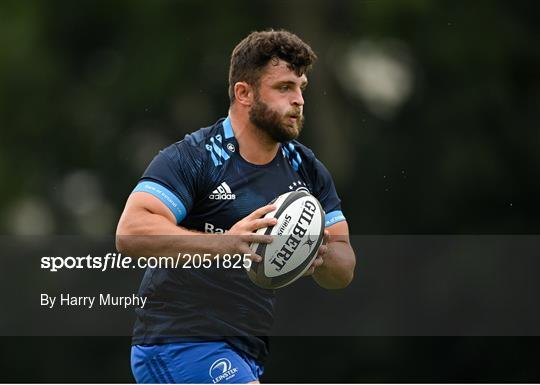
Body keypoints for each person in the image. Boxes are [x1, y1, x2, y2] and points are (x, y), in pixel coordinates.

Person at [116, 29, 356, 384]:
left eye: (301, 87)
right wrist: (228, 243)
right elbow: (130, 232)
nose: (299, 100)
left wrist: (315, 251)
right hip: (180, 342)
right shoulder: (196, 158)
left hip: (245, 350)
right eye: (284, 87)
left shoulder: (306, 170)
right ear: (244, 93)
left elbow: (344, 264)